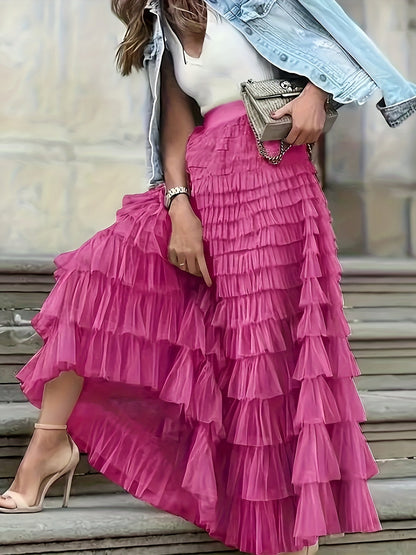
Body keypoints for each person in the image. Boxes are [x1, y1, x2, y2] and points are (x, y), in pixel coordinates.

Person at [1, 0, 415, 553]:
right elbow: (174, 131)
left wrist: (319, 90)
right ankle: (48, 445)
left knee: (262, 342)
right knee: (95, 275)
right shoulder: (159, 25)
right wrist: (178, 209)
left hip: (270, 175)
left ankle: (282, 514)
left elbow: (343, 41)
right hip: (198, 185)